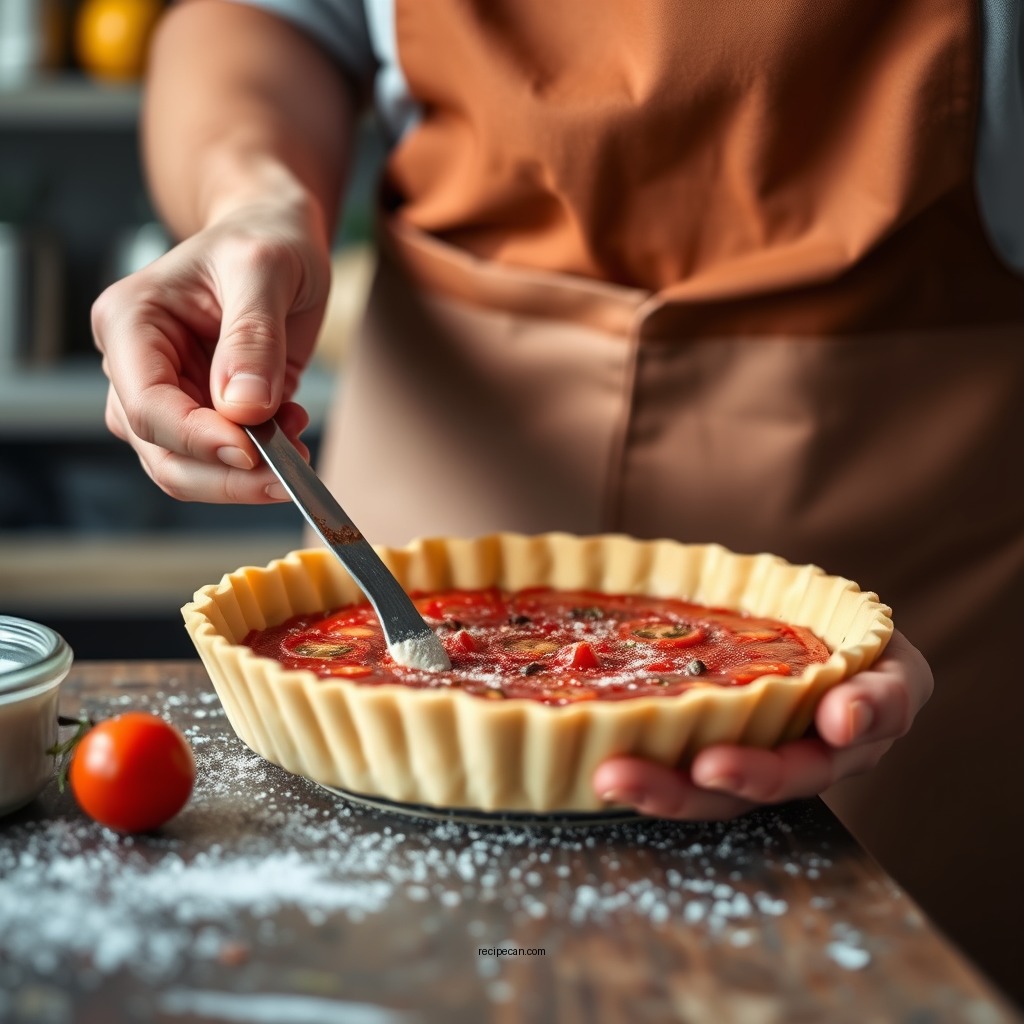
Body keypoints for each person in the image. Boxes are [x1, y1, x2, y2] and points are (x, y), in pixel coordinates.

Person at [92, 0, 1023, 1002]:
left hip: (908, 514)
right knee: (411, 976)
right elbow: (262, 19)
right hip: (438, 479)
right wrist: (254, 195)